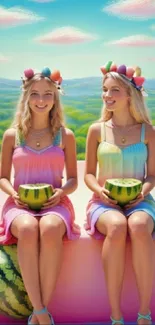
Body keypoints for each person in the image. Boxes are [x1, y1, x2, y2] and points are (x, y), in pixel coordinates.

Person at [0, 67, 80, 325]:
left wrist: (61, 192)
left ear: (56, 97)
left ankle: (38, 312)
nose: (41, 100)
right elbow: (2, 177)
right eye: (35, 94)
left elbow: (73, 180)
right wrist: (14, 193)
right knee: (26, 228)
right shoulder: (12, 136)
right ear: (26, 97)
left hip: (56, 203)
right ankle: (42, 312)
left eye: (48, 94)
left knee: (49, 227)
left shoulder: (65, 136)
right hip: (18, 203)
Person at [84, 61, 155, 325]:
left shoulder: (149, 131)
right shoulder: (96, 130)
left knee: (138, 225)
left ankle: (144, 313)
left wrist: (144, 191)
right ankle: (115, 316)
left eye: (114, 90)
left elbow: (152, 175)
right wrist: (100, 191)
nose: (107, 96)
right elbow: (88, 174)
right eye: (104, 90)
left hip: (141, 201)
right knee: (116, 226)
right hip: (102, 203)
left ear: (130, 95)